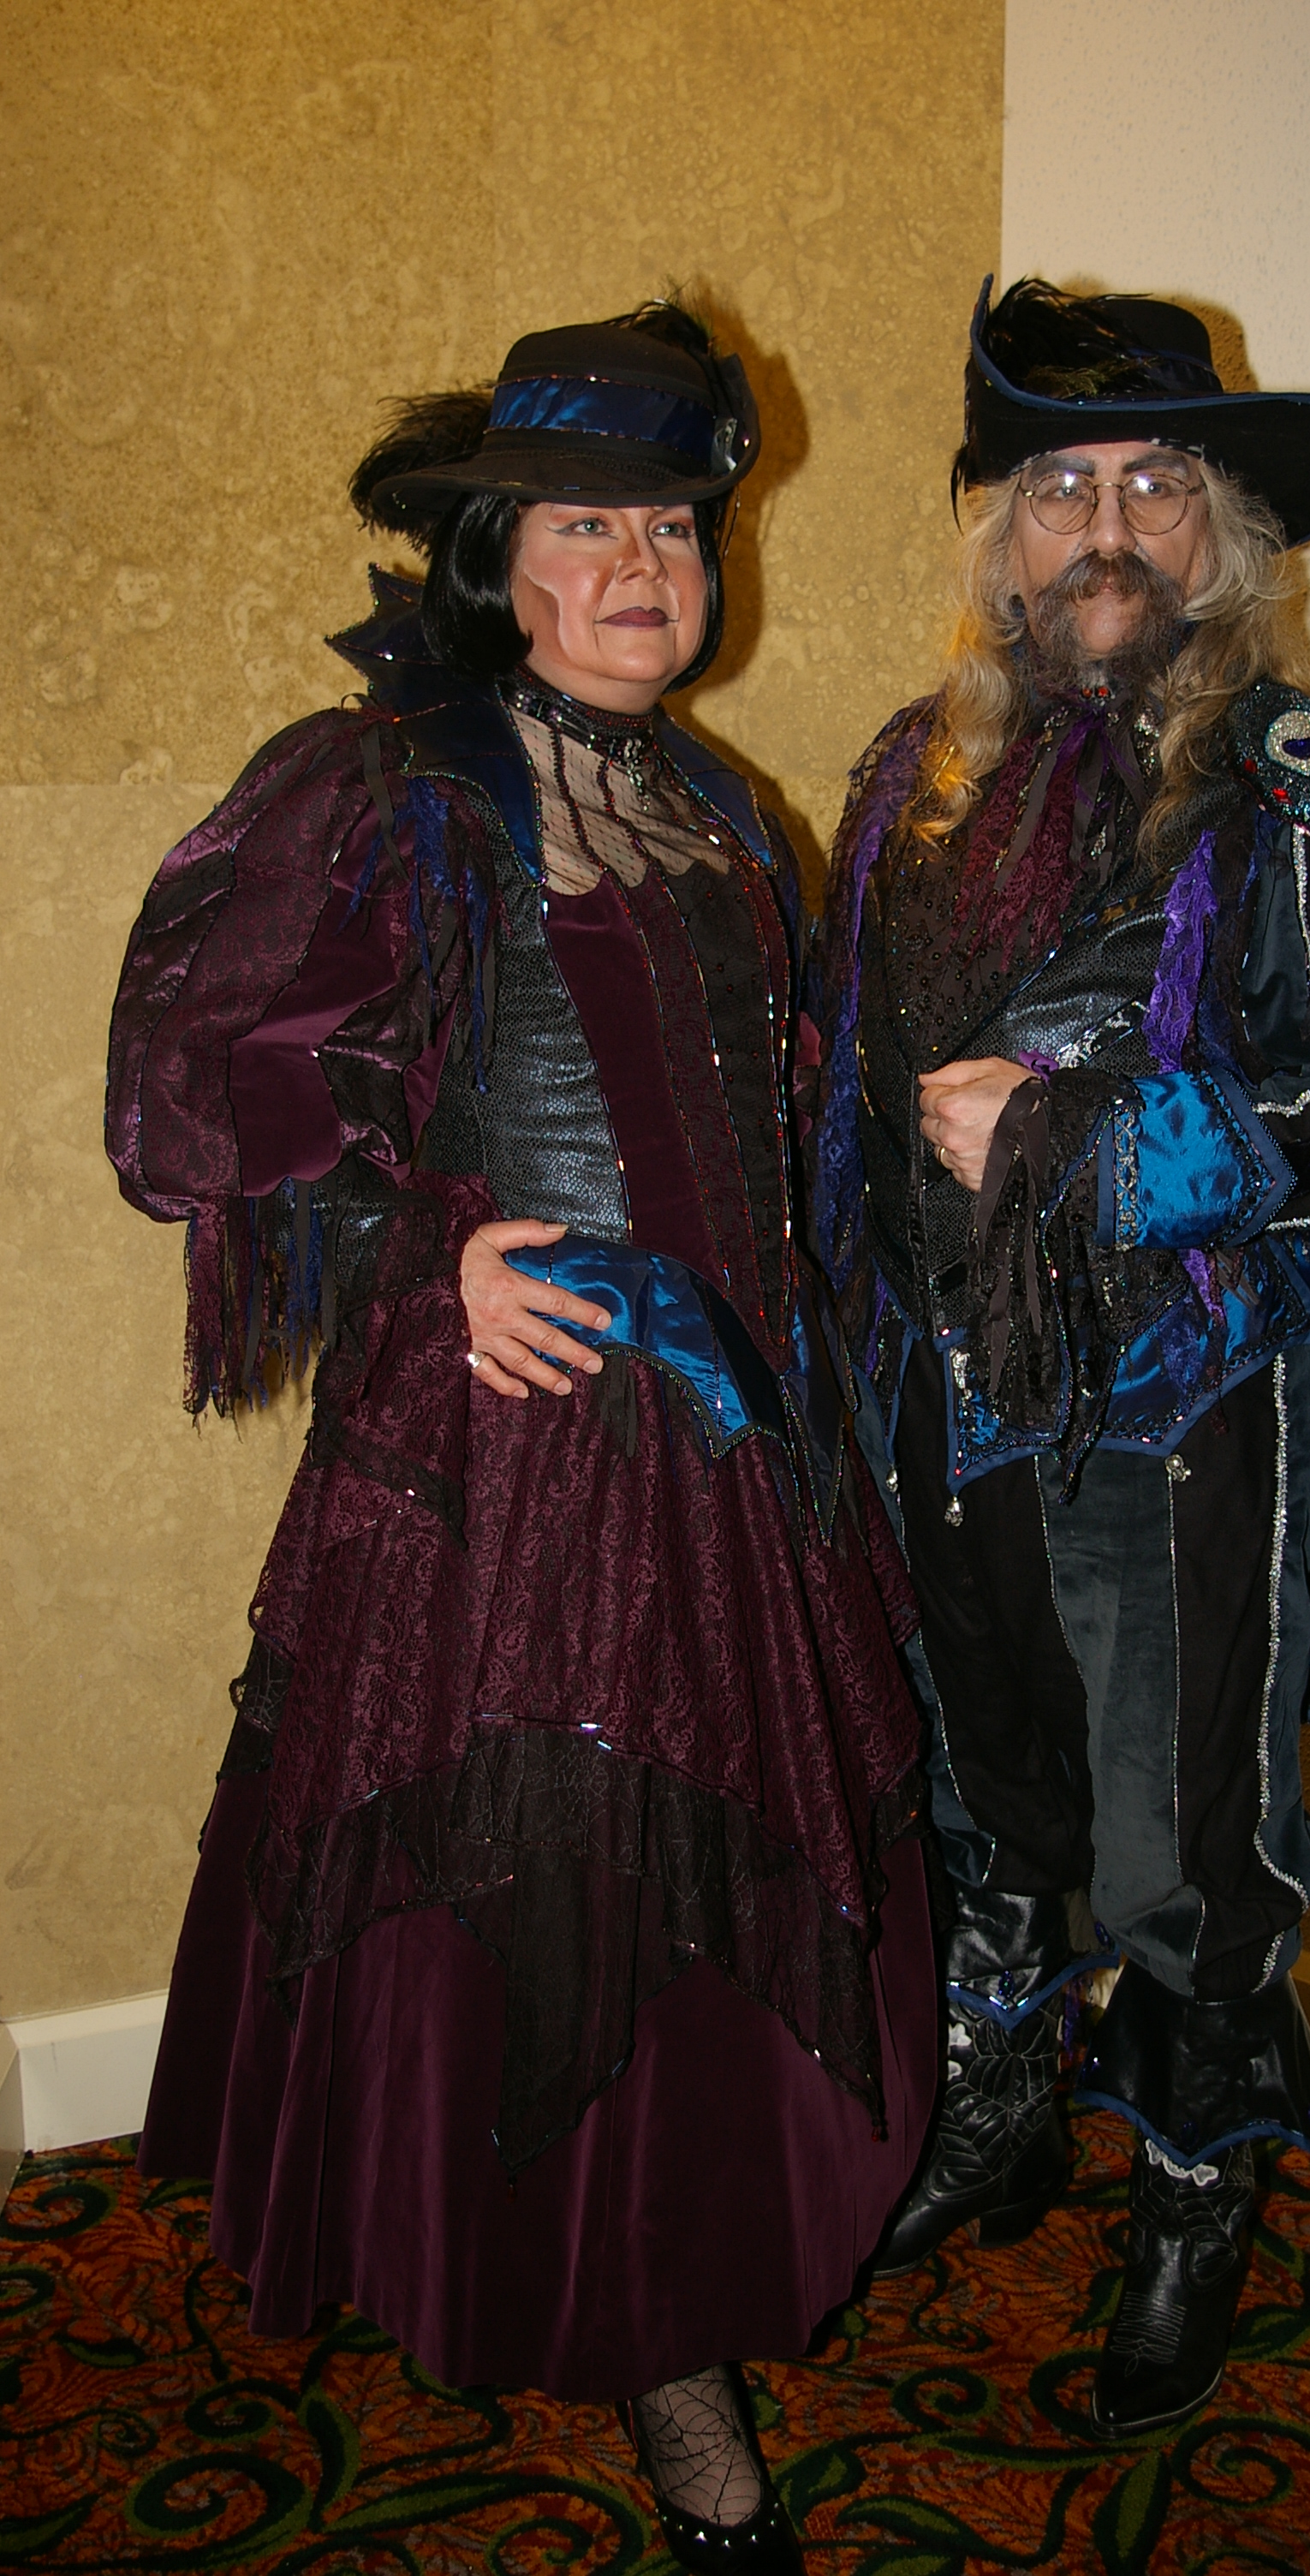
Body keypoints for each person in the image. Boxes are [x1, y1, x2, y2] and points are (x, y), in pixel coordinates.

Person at [107, 301, 937, 2575]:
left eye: (674, 527)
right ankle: (654, 2350)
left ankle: (667, 2259)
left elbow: (779, 1124)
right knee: (575, 1878)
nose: (644, 567)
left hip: (740, 1441)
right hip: (530, 1439)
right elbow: (207, 1086)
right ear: (499, 560)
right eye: (588, 526)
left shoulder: (719, 807)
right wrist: (429, 1247)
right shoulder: (393, 783)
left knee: (695, 1876)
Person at [808, 277, 1310, 2440]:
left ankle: (1196, 2187)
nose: (1105, 527)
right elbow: (844, 1076)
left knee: (1182, 1829)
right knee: (981, 1778)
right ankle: (1004, 2102)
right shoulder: (913, 773)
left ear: (1222, 533)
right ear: (996, 533)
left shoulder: (1295, 786)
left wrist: (1088, 1137)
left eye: (1153, 485)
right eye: (1060, 488)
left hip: (1188, 1394)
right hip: (943, 1387)